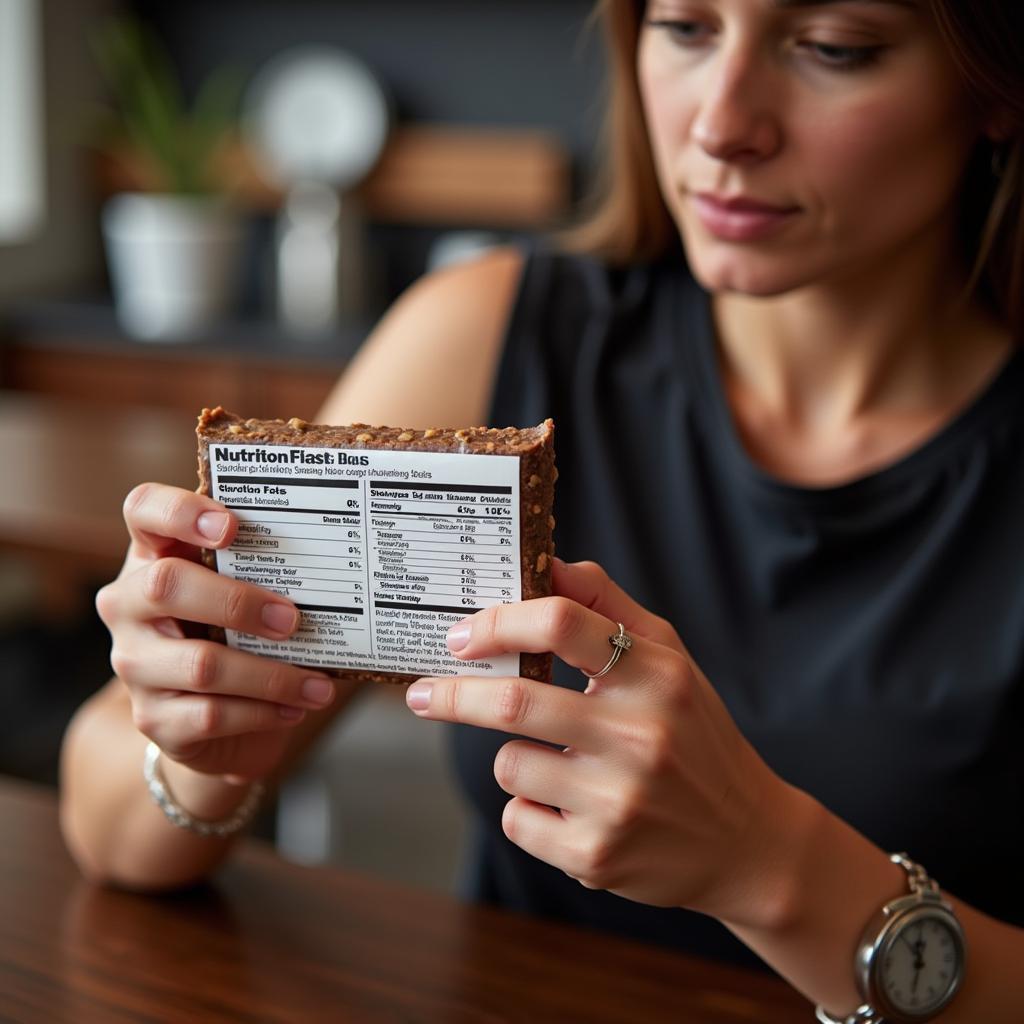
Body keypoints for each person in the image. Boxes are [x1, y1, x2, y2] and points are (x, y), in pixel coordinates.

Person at [61, 0, 1024, 1019]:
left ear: (995, 88)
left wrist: (766, 863)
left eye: (835, 48)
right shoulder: (484, 337)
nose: (720, 124)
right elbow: (111, 824)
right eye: (686, 29)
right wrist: (206, 749)